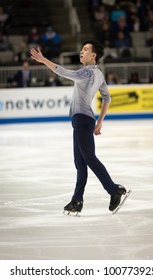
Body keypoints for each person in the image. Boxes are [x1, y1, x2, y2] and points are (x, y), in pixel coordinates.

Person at [30, 40, 127, 214]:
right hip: (83, 120)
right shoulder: (98, 74)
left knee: (89, 158)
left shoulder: (87, 73)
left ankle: (114, 190)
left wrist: (44, 60)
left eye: (85, 49)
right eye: (82, 49)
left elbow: (63, 72)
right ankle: (77, 201)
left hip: (82, 119)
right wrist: (100, 121)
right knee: (80, 162)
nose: (82, 52)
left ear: (93, 55)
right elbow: (107, 98)